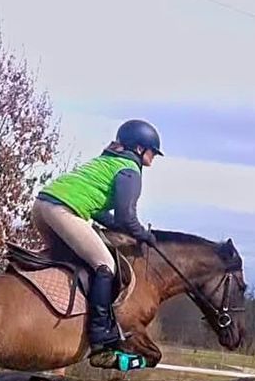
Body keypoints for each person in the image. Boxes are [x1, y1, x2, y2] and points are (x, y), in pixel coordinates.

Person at [32, 118, 162, 356]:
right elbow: (126, 218)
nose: (154, 158)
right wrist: (145, 235)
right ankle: (100, 334)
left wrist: (123, 228)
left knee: (75, 261)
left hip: (41, 206)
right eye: (153, 151)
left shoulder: (107, 162)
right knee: (105, 265)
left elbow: (101, 212)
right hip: (62, 210)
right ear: (140, 148)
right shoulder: (130, 171)